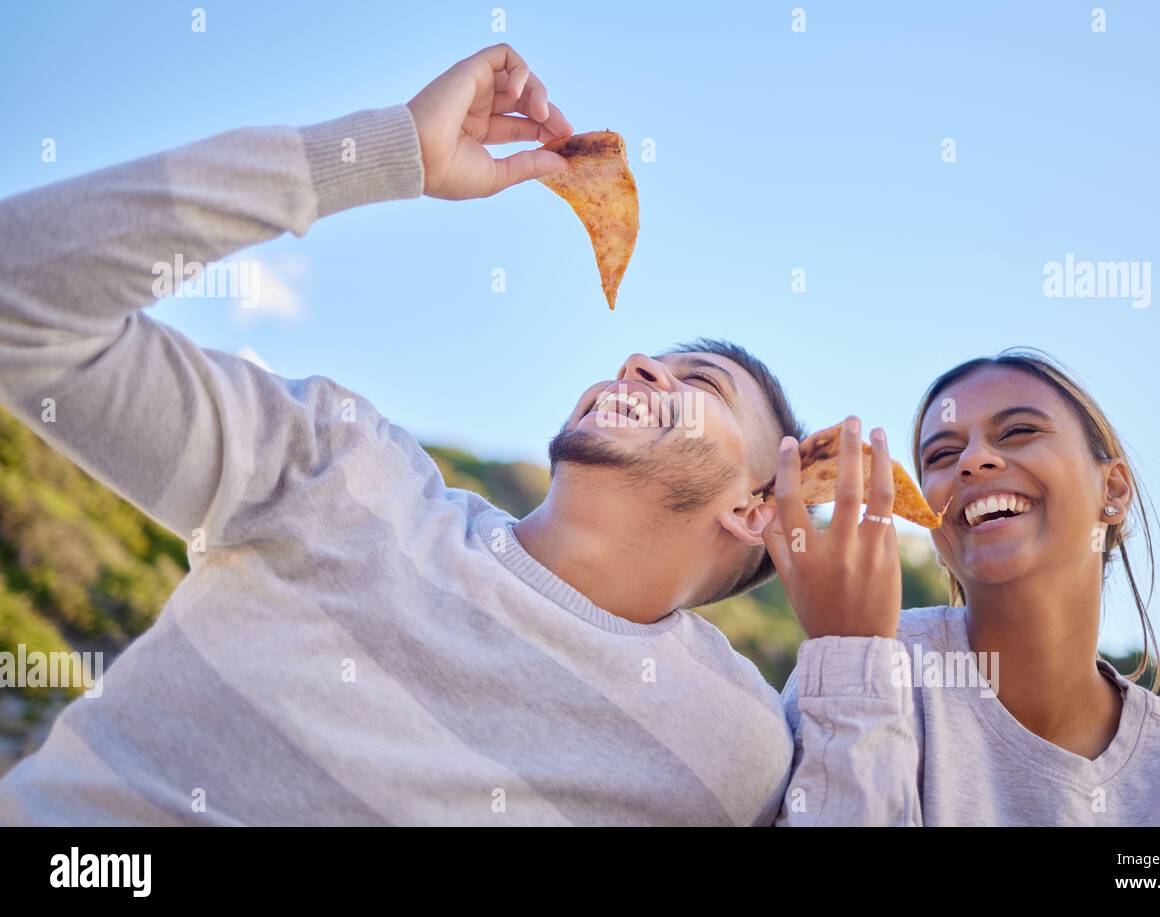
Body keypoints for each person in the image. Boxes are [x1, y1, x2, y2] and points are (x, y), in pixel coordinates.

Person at [0, 43, 806, 826]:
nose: (638, 366)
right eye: (649, 360)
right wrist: (382, 155)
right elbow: (19, 297)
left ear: (754, 510)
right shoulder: (341, 467)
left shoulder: (735, 753)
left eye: (702, 383)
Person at [767, 350, 1160, 826]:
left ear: (1114, 491)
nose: (974, 460)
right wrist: (854, 666)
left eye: (1019, 431)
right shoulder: (861, 661)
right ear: (933, 525)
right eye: (942, 454)